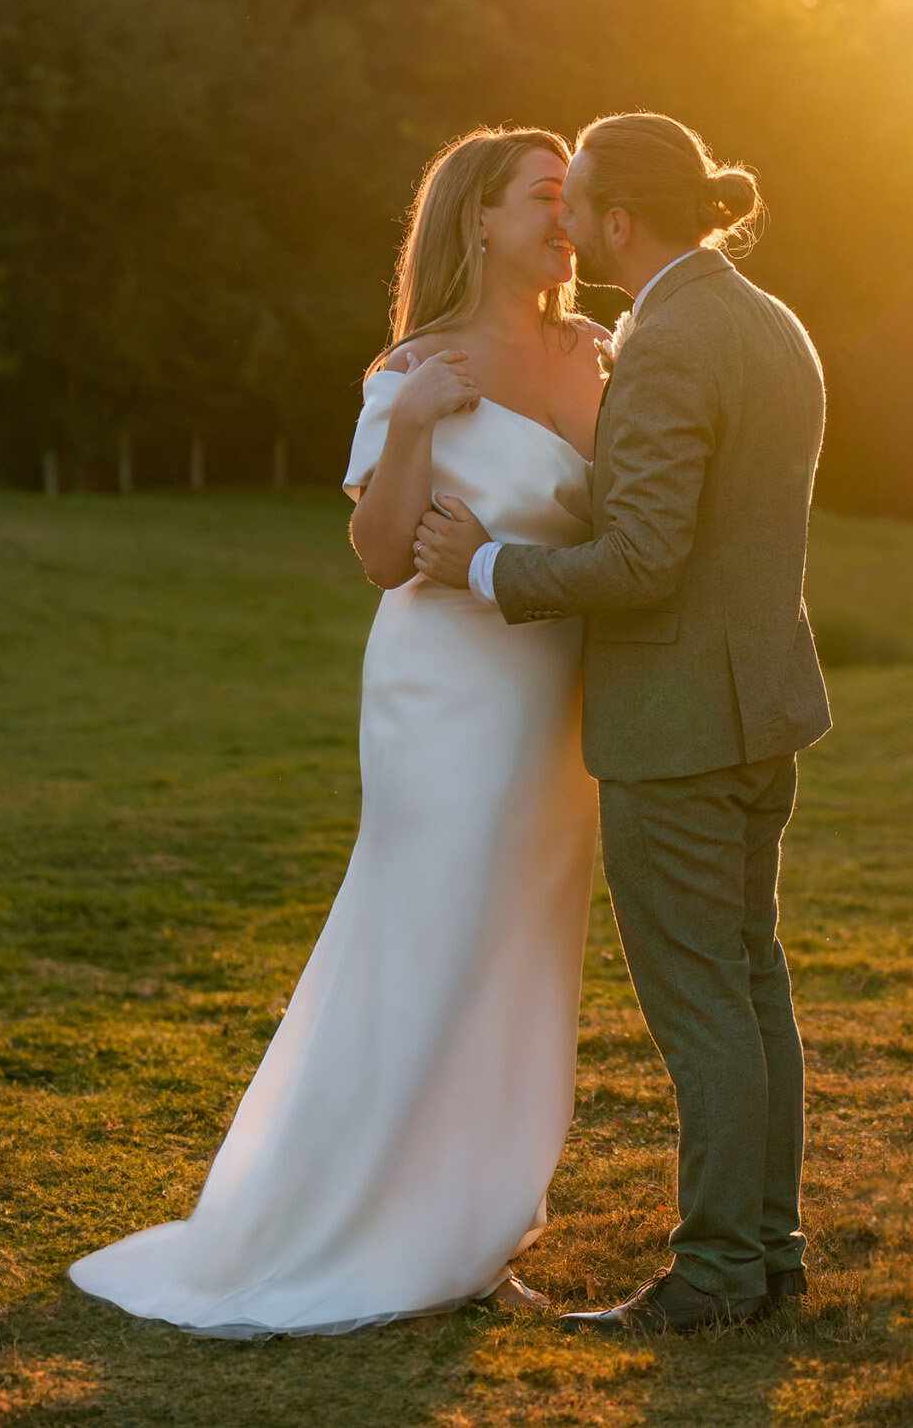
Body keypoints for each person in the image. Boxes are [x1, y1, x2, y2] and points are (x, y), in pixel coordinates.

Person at [68, 127, 610, 1335]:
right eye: (542, 194)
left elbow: (618, 527)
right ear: (477, 216)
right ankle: (353, 1222)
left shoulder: (599, 355)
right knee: (426, 934)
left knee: (520, 952)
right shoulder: (413, 366)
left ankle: (472, 1223)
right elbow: (378, 557)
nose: (566, 215)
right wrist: (414, 418)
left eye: (573, 197)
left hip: (553, 696)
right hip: (443, 697)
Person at [412, 111, 830, 1336]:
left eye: (576, 199)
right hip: (761, 709)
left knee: (705, 1000)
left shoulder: (667, 341)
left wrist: (490, 566)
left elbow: (646, 553)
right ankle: (768, 1253)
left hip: (678, 721)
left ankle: (713, 1274)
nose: (564, 220)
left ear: (618, 218)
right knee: (750, 985)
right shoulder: (765, 318)